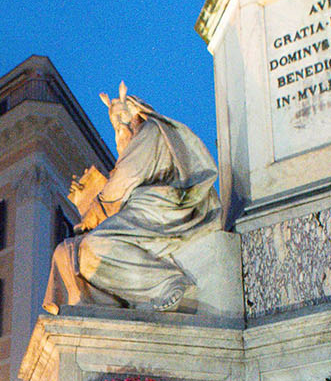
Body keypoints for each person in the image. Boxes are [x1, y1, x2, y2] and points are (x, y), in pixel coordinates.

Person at [43, 81, 220, 314]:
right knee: (67, 250)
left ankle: (166, 283)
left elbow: (125, 180)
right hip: (145, 209)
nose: (119, 126)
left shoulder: (150, 131)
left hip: (164, 209)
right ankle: (90, 304)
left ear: (136, 112)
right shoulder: (139, 140)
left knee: (94, 248)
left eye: (122, 118)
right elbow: (121, 185)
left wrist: (93, 209)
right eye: (115, 122)